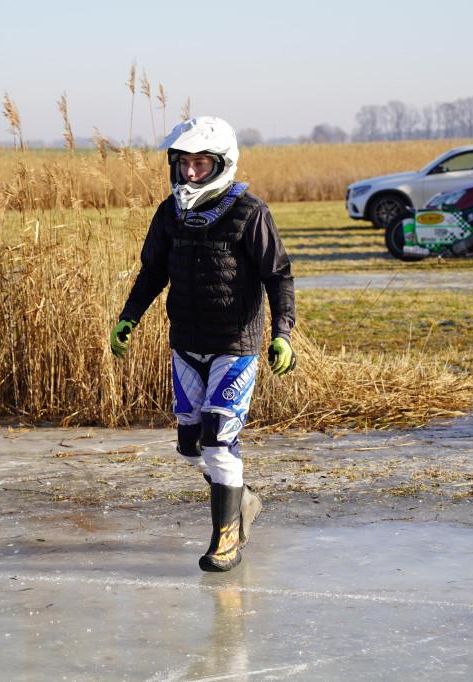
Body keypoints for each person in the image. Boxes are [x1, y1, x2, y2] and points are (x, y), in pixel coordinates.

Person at [110, 116, 296, 572]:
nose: (190, 173)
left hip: (236, 344)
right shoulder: (169, 213)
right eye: (184, 163)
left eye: (200, 164)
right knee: (191, 446)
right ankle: (241, 500)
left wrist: (283, 334)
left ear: (222, 164)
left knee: (218, 443)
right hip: (187, 345)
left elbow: (278, 275)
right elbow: (153, 272)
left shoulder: (250, 212)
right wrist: (128, 316)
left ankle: (225, 542)